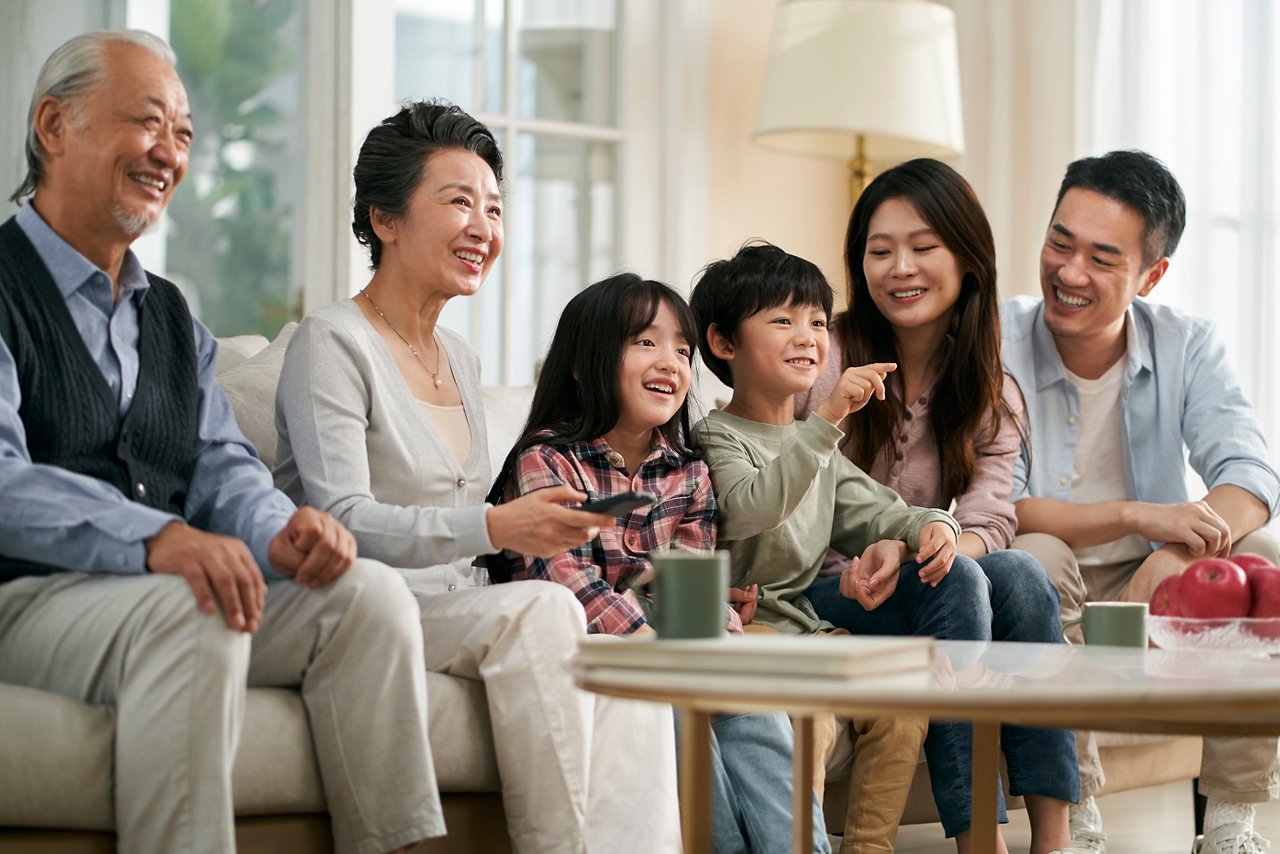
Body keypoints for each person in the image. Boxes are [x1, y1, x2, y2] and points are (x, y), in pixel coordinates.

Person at [0, 30, 436, 854]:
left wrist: (278, 530)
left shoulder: (170, 314)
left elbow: (217, 464)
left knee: (368, 602)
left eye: (186, 134)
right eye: (148, 121)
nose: (169, 152)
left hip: (154, 595)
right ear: (54, 127)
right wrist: (156, 537)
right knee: (194, 609)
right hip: (25, 599)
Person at [273, 100, 681, 854]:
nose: (484, 229)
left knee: (625, 659)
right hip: (370, 610)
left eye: (493, 207)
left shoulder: (461, 356)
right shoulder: (331, 343)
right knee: (541, 615)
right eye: (459, 201)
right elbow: (343, 520)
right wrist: (494, 527)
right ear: (386, 220)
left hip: (465, 608)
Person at [796, 159, 1081, 854]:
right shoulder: (821, 356)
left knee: (1014, 574)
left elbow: (992, 515)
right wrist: (896, 541)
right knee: (958, 580)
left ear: (966, 256)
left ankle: (1055, 837)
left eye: (923, 247)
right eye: (879, 250)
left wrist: (938, 540)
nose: (900, 267)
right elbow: (791, 485)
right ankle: (979, 839)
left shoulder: (989, 388)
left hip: (921, 584)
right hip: (823, 588)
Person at [489, 272, 830, 853]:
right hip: (591, 650)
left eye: (681, 347)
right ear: (582, 362)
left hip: (667, 646)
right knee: (672, 703)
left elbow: (691, 585)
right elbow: (567, 580)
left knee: (754, 692)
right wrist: (656, 640)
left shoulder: (688, 470)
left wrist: (712, 628)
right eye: (644, 342)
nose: (670, 360)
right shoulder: (546, 460)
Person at [1003, 149, 1280, 854]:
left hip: (1156, 578)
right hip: (1044, 571)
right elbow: (999, 504)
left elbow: (1251, 474)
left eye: (1102, 257)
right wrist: (1139, 517)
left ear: (1151, 275)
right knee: (1036, 556)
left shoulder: (1188, 344)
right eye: (1059, 243)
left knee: (1265, 557)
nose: (1069, 273)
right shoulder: (995, 338)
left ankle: (1229, 822)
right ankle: (1078, 809)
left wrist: (1178, 551)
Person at [689, 241, 1005, 854]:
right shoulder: (715, 439)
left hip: (808, 632)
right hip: (751, 635)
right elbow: (754, 505)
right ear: (724, 344)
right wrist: (829, 417)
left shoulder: (818, 448)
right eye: (781, 321)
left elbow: (884, 511)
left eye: (815, 321)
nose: (807, 336)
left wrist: (934, 525)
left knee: (903, 703)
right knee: (815, 718)